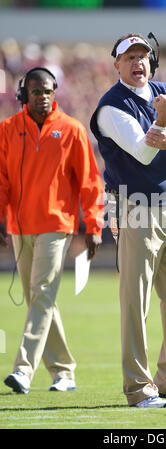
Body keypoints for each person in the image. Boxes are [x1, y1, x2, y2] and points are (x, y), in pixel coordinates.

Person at [90, 33, 166, 408]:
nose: (138, 63)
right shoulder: (110, 107)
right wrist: (164, 120)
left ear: (151, 61)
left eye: (143, 56)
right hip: (134, 207)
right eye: (130, 57)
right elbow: (141, 153)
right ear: (117, 65)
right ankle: (139, 389)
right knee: (135, 302)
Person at [0, 67, 104, 394]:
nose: (43, 97)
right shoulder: (6, 130)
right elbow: (1, 179)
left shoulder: (72, 130)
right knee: (38, 299)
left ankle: (24, 370)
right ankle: (64, 371)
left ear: (54, 92)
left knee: (42, 293)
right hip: (20, 226)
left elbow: (90, 182)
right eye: (36, 92)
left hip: (57, 226)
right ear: (23, 95)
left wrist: (94, 225)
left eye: (48, 91)